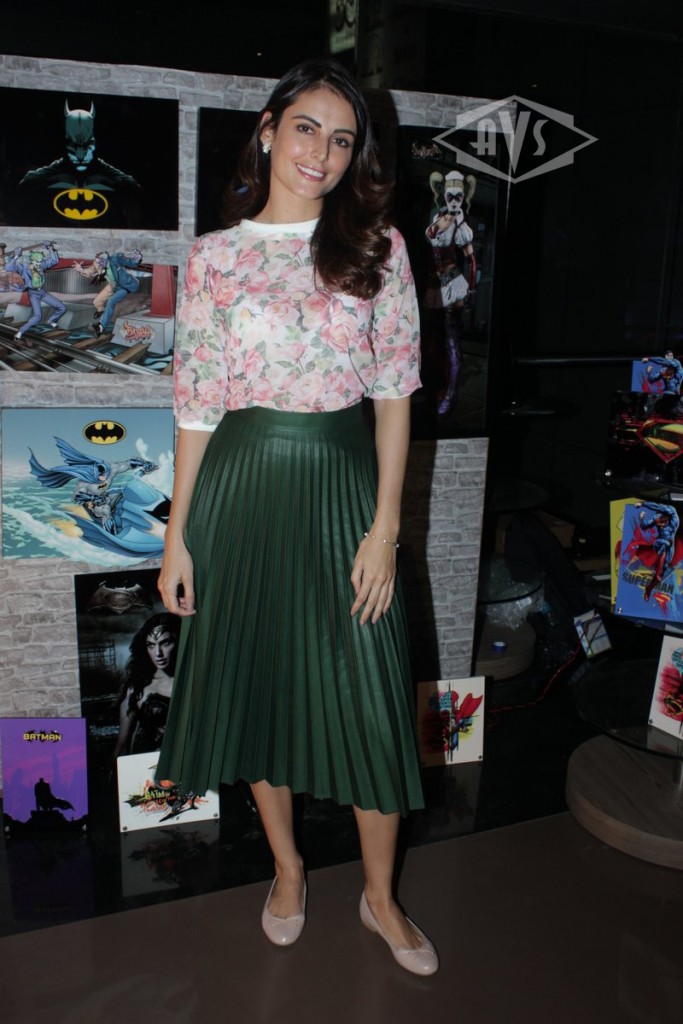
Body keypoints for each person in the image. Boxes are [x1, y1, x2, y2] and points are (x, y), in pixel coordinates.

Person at [157, 57, 438, 976]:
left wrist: (384, 530)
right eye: (307, 128)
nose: (322, 151)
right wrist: (178, 538)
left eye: (342, 139)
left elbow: (393, 395)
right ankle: (286, 872)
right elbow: (197, 406)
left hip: (342, 487)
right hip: (240, 490)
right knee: (263, 691)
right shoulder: (215, 256)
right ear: (270, 130)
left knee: (371, 700)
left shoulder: (377, 247)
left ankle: (379, 897)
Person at [113, 612, 180, 758]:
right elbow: (123, 745)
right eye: (151, 645)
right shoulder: (138, 689)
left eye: (165, 643)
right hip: (157, 766)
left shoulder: (196, 680)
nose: (158, 653)